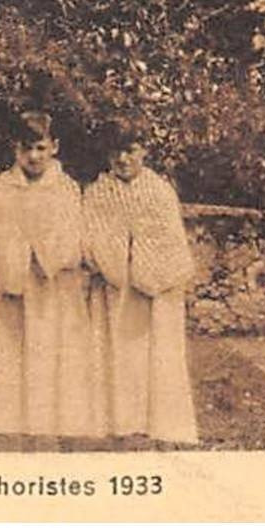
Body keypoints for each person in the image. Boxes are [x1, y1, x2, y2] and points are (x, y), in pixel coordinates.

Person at [83, 121, 199, 445]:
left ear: (143, 151)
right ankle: (118, 422)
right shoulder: (97, 192)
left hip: (156, 290)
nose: (123, 159)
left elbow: (170, 240)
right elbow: (90, 237)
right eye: (116, 151)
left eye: (130, 150)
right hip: (113, 288)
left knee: (157, 356)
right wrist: (111, 261)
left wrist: (148, 268)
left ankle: (161, 424)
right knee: (117, 355)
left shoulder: (160, 191)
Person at [0, 111, 94, 442]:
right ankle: (13, 428)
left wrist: (44, 254)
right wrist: (13, 258)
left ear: (54, 148)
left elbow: (73, 234)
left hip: (53, 286)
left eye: (41, 148)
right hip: (14, 282)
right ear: (15, 150)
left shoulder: (65, 188)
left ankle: (54, 429)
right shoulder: (2, 186)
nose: (33, 157)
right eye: (26, 149)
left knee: (52, 354)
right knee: (13, 354)